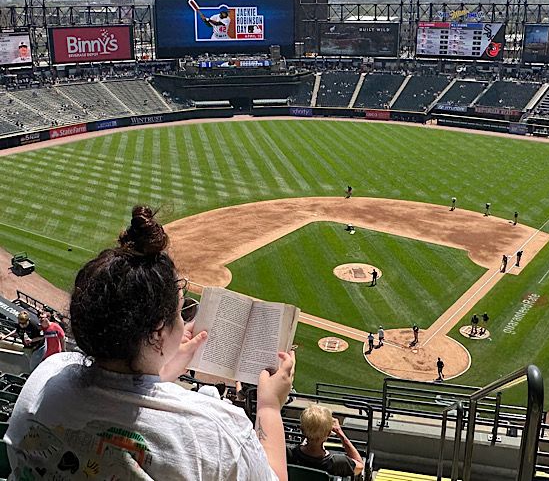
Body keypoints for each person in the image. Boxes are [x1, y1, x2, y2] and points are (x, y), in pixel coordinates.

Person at [5, 205, 294, 479]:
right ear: (158, 332)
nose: (183, 323)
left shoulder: (44, 378)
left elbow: (118, 390)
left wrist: (164, 368)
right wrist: (269, 409)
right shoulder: (215, 430)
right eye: (181, 311)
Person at [287, 404, 364, 477]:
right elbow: (360, 466)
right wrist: (341, 433)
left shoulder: (289, 454)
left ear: (302, 430)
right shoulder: (339, 462)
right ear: (329, 433)